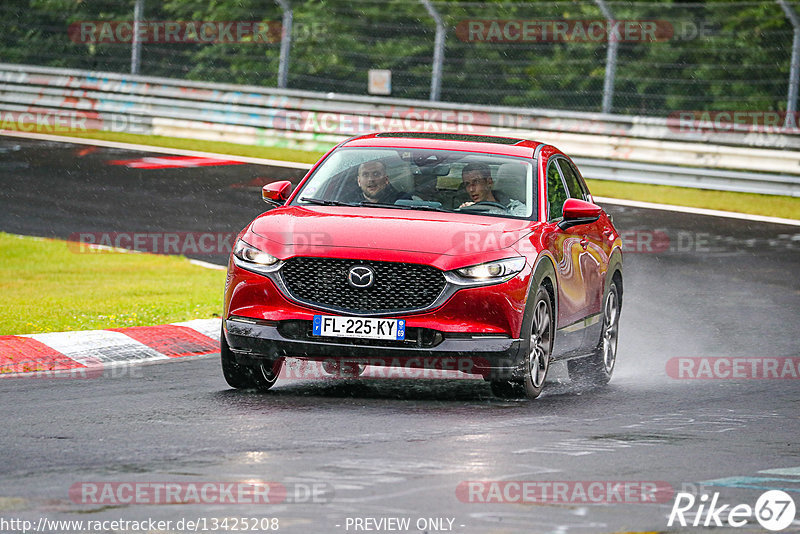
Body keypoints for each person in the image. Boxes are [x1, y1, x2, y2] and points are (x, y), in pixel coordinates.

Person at [458, 162, 526, 215]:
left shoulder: (514, 207)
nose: (471, 189)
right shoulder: (464, 208)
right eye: (467, 184)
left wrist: (477, 209)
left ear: (489, 182)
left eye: (476, 182)